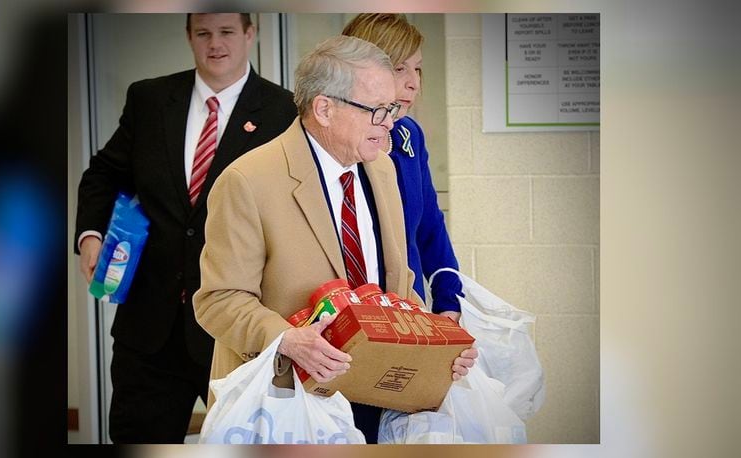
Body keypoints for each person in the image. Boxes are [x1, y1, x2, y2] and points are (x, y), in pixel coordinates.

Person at [193, 35, 476, 444]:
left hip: (377, 396)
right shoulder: (247, 181)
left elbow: (399, 288)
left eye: (392, 109)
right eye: (378, 110)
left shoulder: (382, 170)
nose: (391, 123)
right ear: (324, 108)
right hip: (288, 403)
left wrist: (438, 347)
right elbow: (219, 300)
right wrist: (288, 339)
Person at [74, 13, 297, 443]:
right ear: (189, 37)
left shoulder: (282, 109)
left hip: (236, 327)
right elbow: (104, 173)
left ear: (250, 34)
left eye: (227, 32)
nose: (216, 44)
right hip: (151, 326)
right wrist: (90, 236)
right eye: (204, 33)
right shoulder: (150, 99)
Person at [343, 14, 465, 320]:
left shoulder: (409, 134)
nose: (414, 82)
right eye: (400, 68)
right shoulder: (338, 140)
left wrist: (449, 301)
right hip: (348, 315)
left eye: (418, 68)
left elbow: (430, 228)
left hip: (410, 313)